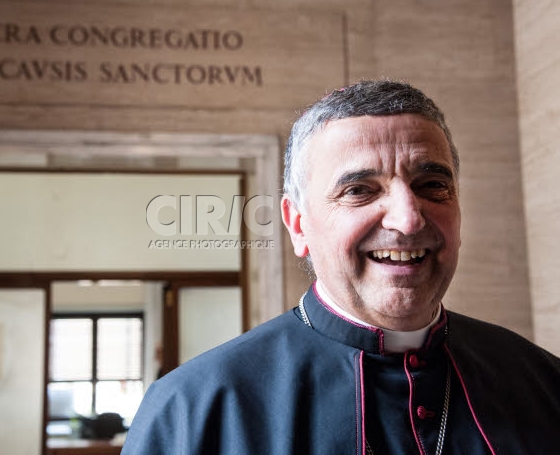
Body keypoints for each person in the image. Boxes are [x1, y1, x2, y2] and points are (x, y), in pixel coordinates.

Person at [122, 80, 560, 454]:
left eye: (433, 186)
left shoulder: (542, 381)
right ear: (298, 225)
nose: (408, 219)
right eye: (359, 190)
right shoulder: (192, 410)